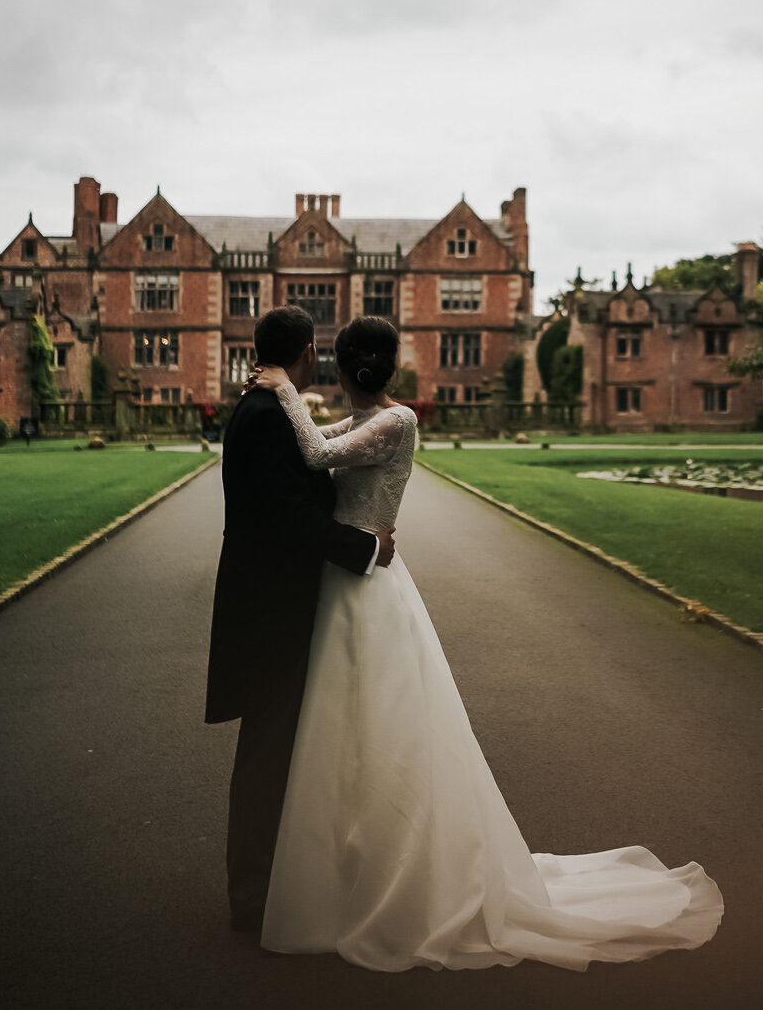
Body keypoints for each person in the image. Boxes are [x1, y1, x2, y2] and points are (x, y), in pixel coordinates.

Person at [245, 314, 723, 971]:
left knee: (387, 732)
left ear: (343, 366)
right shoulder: (361, 421)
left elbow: (318, 454)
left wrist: (284, 389)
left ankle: (398, 875)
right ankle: (343, 874)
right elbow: (317, 444)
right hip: (346, 580)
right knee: (339, 735)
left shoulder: (397, 421)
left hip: (371, 589)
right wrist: (288, 397)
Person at [205, 305, 389, 933]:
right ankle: (252, 899)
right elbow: (293, 517)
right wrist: (365, 549)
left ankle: (278, 882)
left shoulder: (269, 408)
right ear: (308, 352)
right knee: (265, 754)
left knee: (287, 751)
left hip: (279, 605)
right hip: (269, 613)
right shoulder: (263, 416)